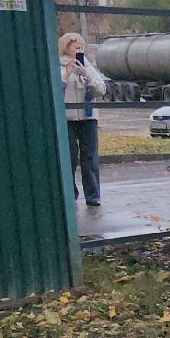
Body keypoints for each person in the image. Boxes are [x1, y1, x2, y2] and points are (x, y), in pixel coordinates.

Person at [59, 33, 108, 207]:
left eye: (81, 48)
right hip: (68, 119)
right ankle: (70, 194)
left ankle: (93, 196)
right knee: (69, 156)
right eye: (76, 48)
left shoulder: (88, 66)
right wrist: (67, 74)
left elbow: (101, 90)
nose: (79, 51)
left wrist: (86, 74)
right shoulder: (60, 65)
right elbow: (56, 89)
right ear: (66, 48)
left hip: (88, 117)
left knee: (90, 157)